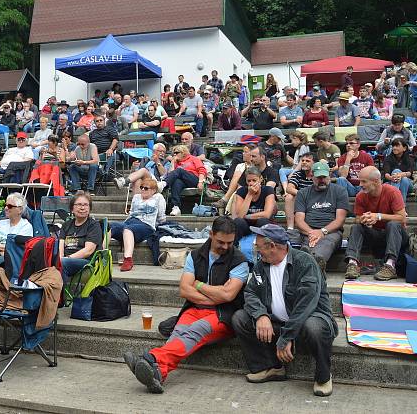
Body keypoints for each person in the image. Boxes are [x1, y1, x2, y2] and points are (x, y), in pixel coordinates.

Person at [123, 216, 247, 393]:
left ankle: (151, 358)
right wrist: (214, 295)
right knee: (179, 331)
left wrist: (198, 284)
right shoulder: (195, 255)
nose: (226, 247)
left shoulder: (240, 260)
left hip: (222, 315)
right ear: (211, 234)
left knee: (196, 330)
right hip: (194, 308)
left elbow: (228, 296)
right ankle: (158, 373)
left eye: (230, 243)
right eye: (221, 241)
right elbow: (184, 290)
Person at [232, 224, 336, 397]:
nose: (257, 250)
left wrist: (287, 336)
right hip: (278, 323)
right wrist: (261, 315)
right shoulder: (261, 266)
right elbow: (250, 293)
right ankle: (271, 367)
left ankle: (323, 376)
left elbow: (306, 306)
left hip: (307, 323)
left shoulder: (305, 262)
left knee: (314, 327)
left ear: (272, 246)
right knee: (240, 318)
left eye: (259, 247)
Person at [346, 167, 409, 281]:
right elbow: (357, 219)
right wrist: (365, 219)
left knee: (393, 224)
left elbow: (402, 218)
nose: (360, 184)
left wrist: (378, 216)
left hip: (396, 236)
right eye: (360, 181)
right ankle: (352, 264)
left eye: (364, 181)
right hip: (375, 235)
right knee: (357, 226)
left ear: (375, 181)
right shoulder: (361, 195)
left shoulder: (392, 192)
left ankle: (390, 265)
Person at [291, 161, 350, 272]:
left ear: (330, 175)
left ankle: (313, 262)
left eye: (324, 177)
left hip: (331, 232)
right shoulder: (302, 193)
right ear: (312, 176)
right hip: (307, 232)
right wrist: (312, 232)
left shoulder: (340, 191)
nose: (322, 180)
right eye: (318, 177)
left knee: (327, 242)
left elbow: (340, 220)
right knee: (304, 241)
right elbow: (299, 220)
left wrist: (322, 231)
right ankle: (312, 263)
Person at [112, 176, 166, 271]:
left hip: (146, 224)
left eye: (146, 188)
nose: (143, 190)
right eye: (141, 187)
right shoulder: (136, 197)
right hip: (130, 221)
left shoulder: (158, 197)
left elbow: (161, 217)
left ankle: (128, 260)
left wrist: (158, 224)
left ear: (153, 190)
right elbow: (131, 212)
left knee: (128, 229)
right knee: (109, 226)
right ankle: (100, 255)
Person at [59, 192, 103, 280]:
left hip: (86, 261)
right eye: (79, 204)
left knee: (61, 264)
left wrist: (67, 258)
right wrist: (60, 257)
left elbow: (88, 251)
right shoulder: (66, 225)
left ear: (90, 209)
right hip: (65, 260)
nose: (82, 208)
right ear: (72, 209)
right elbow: (61, 245)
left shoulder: (93, 225)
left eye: (86, 205)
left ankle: (61, 293)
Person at [163, 144, 207, 216]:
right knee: (176, 182)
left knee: (179, 170)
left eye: (177, 153)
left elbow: (202, 170)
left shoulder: (193, 158)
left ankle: (164, 184)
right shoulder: (176, 162)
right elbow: (171, 174)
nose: (174, 155)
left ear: (183, 153)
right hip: (183, 182)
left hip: (194, 179)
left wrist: (200, 182)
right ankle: (176, 207)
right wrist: (173, 162)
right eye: (174, 153)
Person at [232, 167, 276, 237]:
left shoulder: (268, 190)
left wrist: (247, 216)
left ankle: (263, 246)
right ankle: (236, 245)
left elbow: (267, 214)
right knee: (238, 222)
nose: (251, 183)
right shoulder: (241, 191)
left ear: (260, 179)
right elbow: (240, 216)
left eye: (254, 180)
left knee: (263, 221)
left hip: (261, 224)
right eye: (249, 181)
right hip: (246, 225)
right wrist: (249, 195)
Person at [284, 152, 316, 229]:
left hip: (316, 200)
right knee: (289, 197)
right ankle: (290, 228)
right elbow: (289, 188)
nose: (304, 162)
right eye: (302, 161)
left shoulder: (317, 175)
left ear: (315, 163)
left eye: (307, 161)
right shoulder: (297, 174)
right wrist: (303, 194)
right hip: (301, 200)